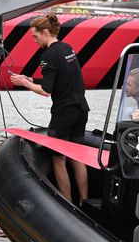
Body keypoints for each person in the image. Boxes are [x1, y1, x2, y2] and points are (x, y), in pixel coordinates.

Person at [10, 13, 90, 203]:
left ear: (45, 32)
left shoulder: (48, 55)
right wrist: (31, 79)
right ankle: (85, 201)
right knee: (77, 157)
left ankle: (68, 204)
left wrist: (24, 83)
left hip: (64, 114)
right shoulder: (67, 47)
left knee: (59, 159)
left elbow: (46, 91)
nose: (34, 41)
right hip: (81, 109)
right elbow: (57, 81)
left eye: (35, 36)